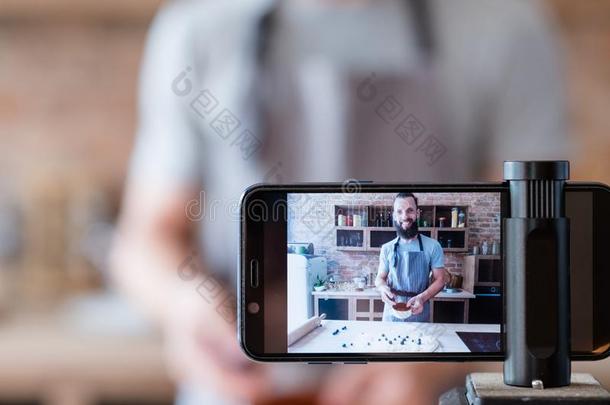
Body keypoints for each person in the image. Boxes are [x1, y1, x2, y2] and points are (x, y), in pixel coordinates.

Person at [110, 0, 570, 404]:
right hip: (241, 390)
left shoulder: (504, 26)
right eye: (402, 211)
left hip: (429, 393)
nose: (407, 216)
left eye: (411, 211)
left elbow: (534, 249)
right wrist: (186, 307)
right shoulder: (197, 29)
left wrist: (431, 356)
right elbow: (144, 238)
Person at [376, 193, 447, 322]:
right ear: (394, 215)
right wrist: (382, 288)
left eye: (410, 211)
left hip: (419, 311)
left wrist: (422, 298)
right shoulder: (387, 248)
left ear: (417, 213)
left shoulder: (433, 246)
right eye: (399, 212)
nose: (405, 216)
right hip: (391, 312)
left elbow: (440, 280)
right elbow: (380, 278)